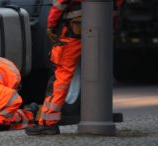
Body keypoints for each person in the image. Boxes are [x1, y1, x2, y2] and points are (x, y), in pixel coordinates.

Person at [26, 0, 123, 135]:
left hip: (75, 32)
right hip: (102, 31)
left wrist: (50, 26)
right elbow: (116, 7)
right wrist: (111, 28)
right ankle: (96, 116)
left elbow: (59, 4)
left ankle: (48, 123)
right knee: (97, 71)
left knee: (60, 79)